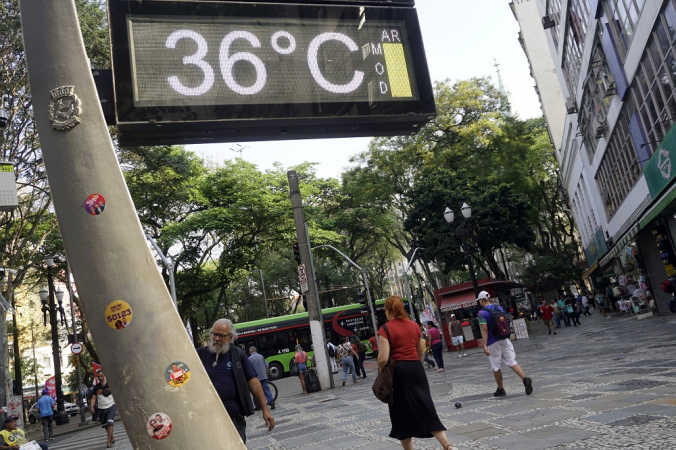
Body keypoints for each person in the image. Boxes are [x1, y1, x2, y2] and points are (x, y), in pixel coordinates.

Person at [377, 296, 452, 450]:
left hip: (398, 372)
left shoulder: (385, 329)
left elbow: (383, 358)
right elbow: (420, 352)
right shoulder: (414, 326)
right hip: (416, 370)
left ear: (387, 311)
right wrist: (416, 365)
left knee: (400, 413)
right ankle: (447, 445)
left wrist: (381, 372)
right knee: (426, 406)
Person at [197, 318, 274, 443]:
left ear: (231, 337)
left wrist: (265, 411)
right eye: (214, 334)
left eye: (221, 335)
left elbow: (254, 383)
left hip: (234, 417)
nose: (216, 338)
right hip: (207, 418)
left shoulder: (238, 355)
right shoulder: (200, 355)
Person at [478, 291, 533, 397]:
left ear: (481, 300)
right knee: (512, 361)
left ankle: (501, 389)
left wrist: (484, 344)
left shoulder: (482, 313)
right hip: (505, 338)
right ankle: (524, 379)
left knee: (496, 367)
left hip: (493, 341)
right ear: (488, 298)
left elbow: (484, 329)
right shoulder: (499, 308)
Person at [91, 368, 116, 448]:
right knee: (105, 425)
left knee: (110, 423)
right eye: (98, 377)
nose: (100, 378)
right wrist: (91, 406)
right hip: (101, 408)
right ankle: (111, 436)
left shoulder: (110, 384)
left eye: (101, 376)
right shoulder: (96, 387)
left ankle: (109, 442)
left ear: (104, 374)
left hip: (111, 405)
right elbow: (94, 398)